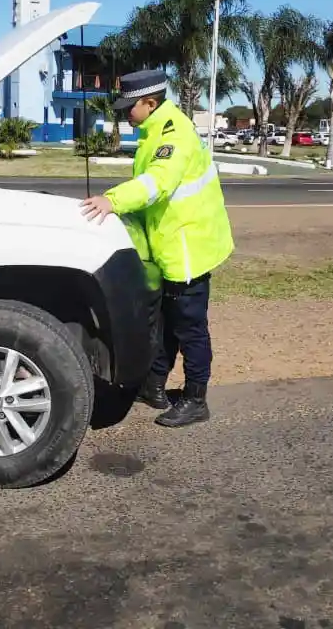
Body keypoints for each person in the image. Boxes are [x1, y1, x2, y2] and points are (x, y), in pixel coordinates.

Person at [79, 69, 235, 428]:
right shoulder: (153, 130)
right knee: (165, 323)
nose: (124, 114)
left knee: (190, 328)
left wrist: (111, 201)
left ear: (150, 103)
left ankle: (196, 399)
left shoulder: (173, 134)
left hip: (188, 247)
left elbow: (157, 184)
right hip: (169, 244)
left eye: (128, 108)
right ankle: (154, 386)